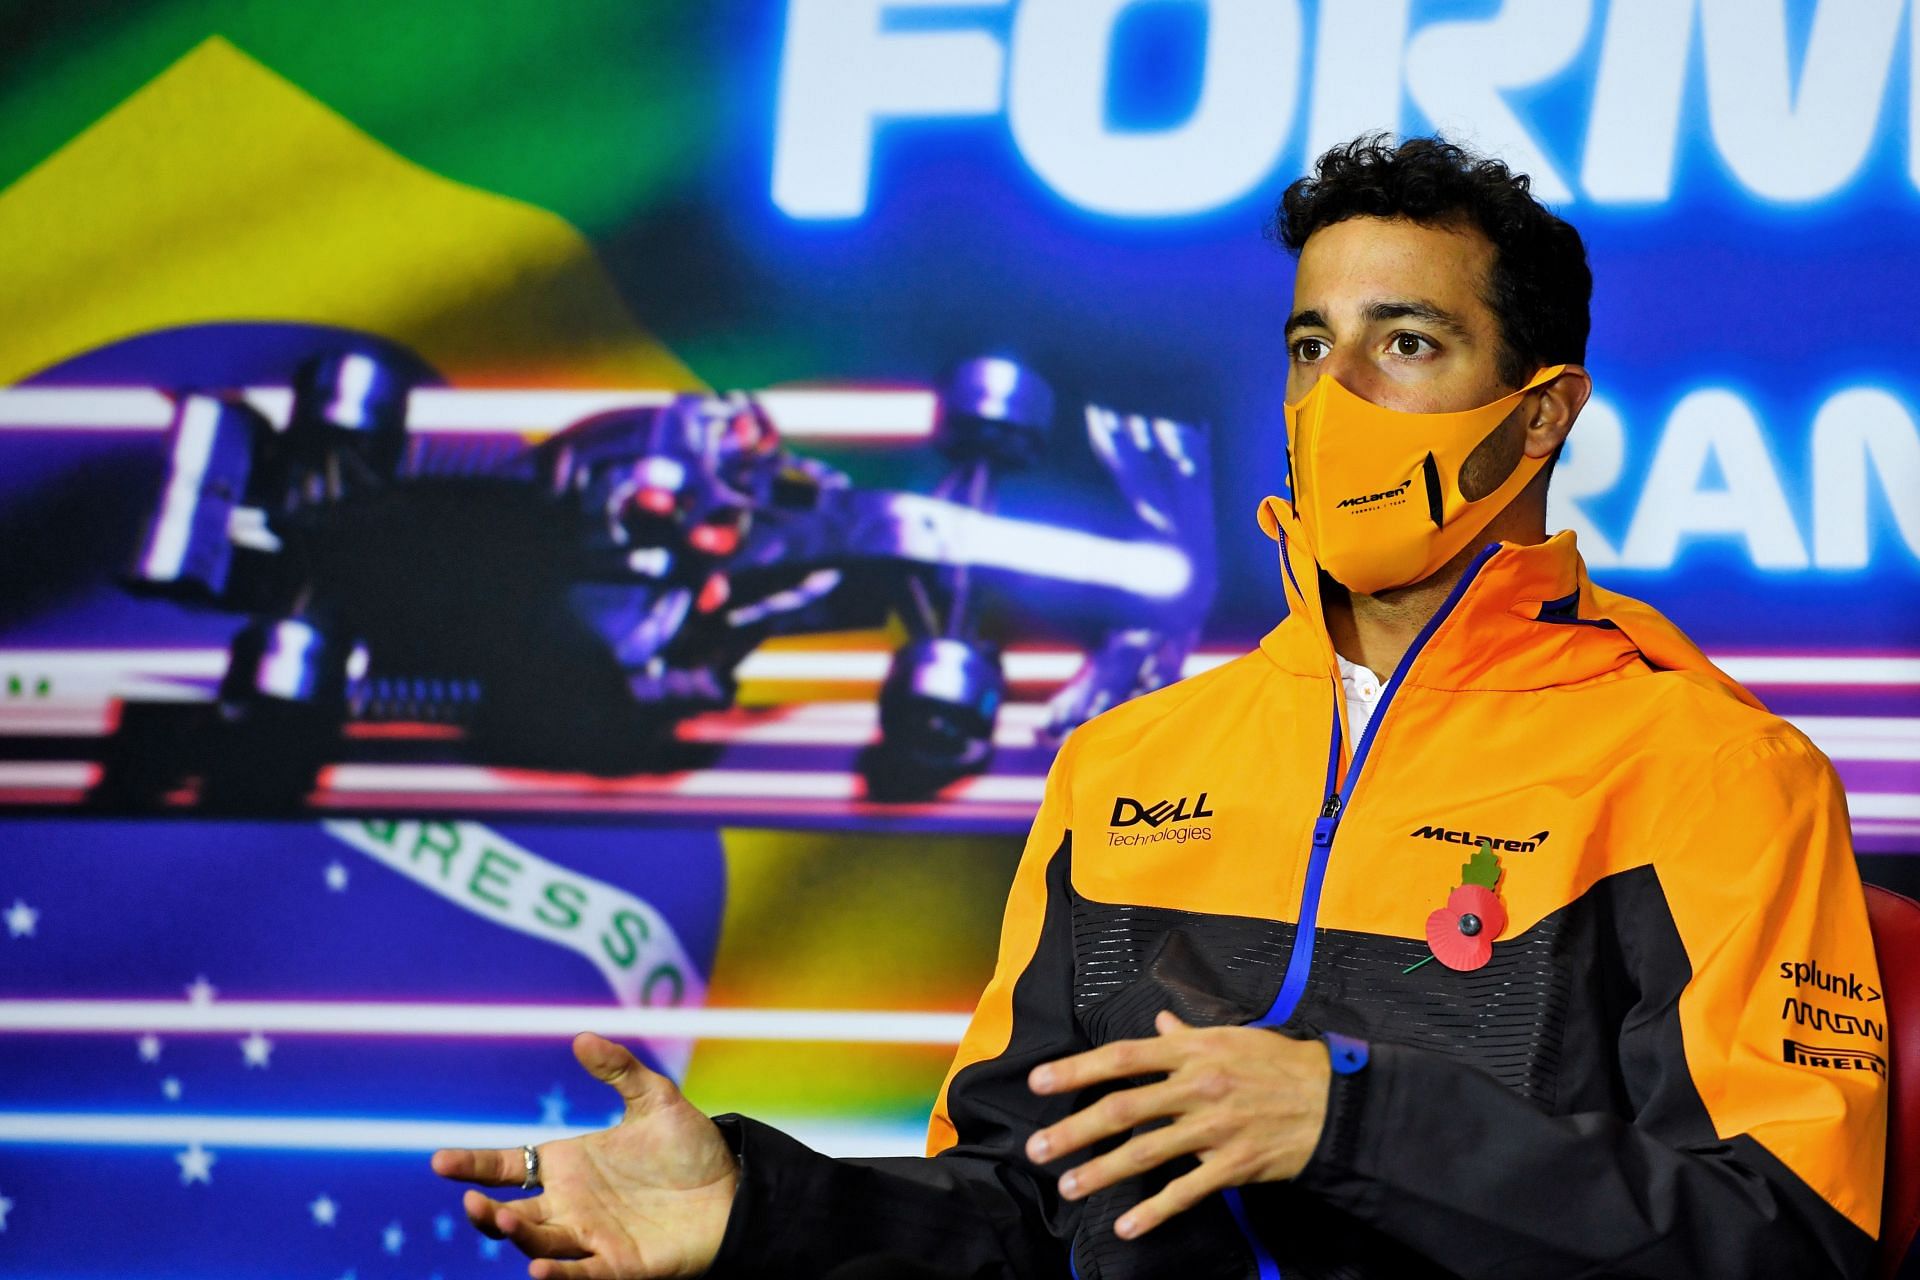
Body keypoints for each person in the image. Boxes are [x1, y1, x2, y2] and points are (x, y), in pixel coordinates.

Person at [430, 135, 1888, 1279]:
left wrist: (1351, 1121)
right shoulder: (1131, 763)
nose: (1338, 398)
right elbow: (1016, 1212)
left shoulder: (1712, 774)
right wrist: (757, 1209)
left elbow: (1784, 1239)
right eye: (1313, 346)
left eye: (1410, 344)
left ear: (1542, 412)